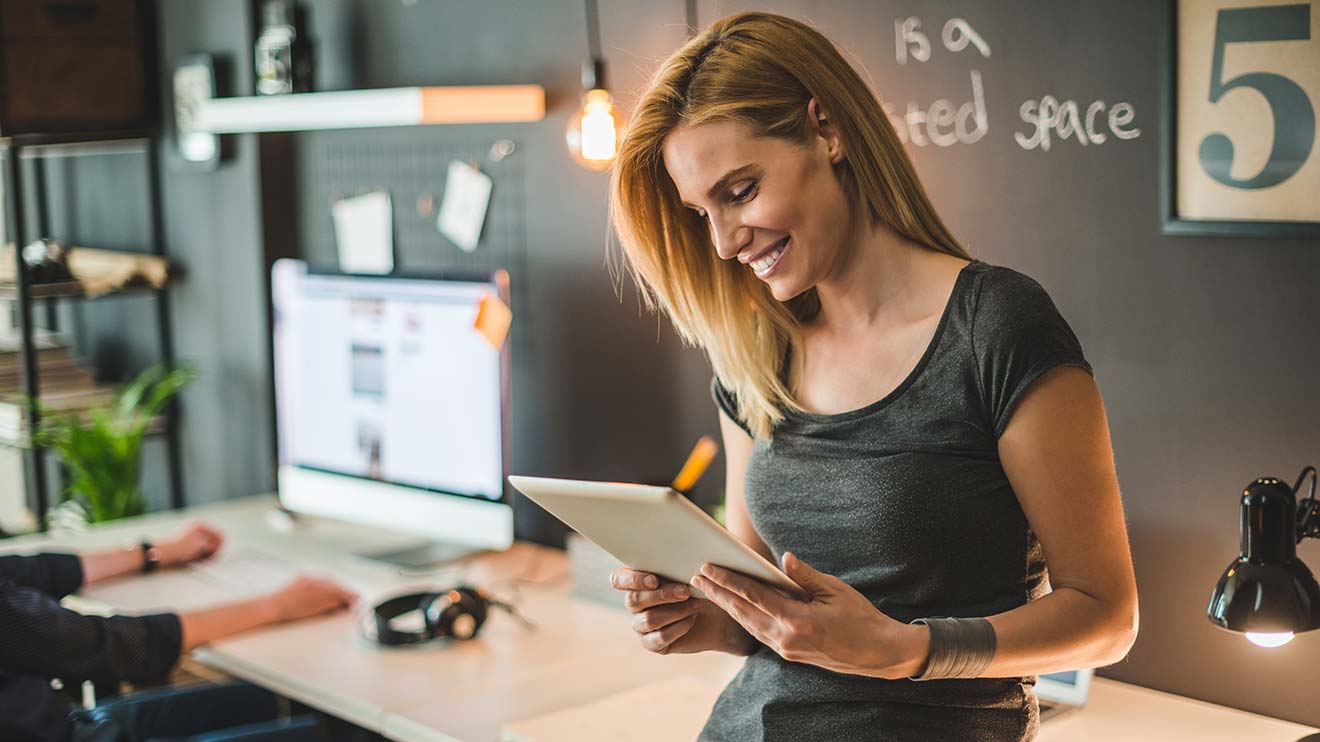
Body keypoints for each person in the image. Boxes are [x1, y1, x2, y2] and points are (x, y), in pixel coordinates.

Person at [606, 12, 1137, 741]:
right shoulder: (756, 351)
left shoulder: (996, 329)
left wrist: (909, 652)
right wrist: (706, 619)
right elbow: (768, 617)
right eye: (702, 213)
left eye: (740, 191)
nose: (725, 243)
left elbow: (1106, 616)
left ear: (828, 131)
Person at [0, 522, 356, 741]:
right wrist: (276, 606)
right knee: (340, 732)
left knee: (280, 701)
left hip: (69, 725)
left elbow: (29, 571)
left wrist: (152, 554)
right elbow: (119, 646)